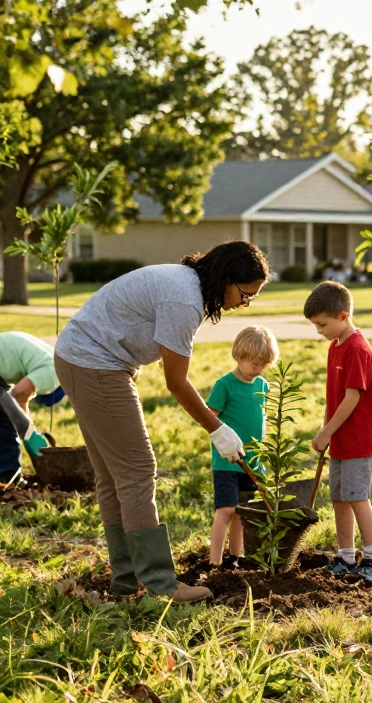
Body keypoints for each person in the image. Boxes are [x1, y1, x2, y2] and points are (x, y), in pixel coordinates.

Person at [54, 240, 270, 602]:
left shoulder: (188, 285)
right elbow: (176, 382)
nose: (244, 303)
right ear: (226, 278)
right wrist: (218, 429)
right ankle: (160, 585)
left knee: (114, 476)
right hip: (94, 364)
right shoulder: (184, 300)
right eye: (245, 294)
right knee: (138, 469)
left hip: (84, 358)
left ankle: (125, 581)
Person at [305, 281, 372, 582]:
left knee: (357, 498)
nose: (319, 331)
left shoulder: (358, 349)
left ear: (343, 316)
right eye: (315, 325)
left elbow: (352, 398)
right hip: (340, 439)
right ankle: (346, 556)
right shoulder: (335, 347)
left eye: (322, 324)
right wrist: (327, 429)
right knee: (339, 498)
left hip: (360, 441)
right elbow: (335, 396)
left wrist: (326, 432)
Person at [206, 326, 278, 569]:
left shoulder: (263, 386)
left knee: (242, 513)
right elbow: (210, 418)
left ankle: (236, 558)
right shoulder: (224, 385)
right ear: (239, 355)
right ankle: (214, 563)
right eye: (253, 362)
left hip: (252, 463)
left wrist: (262, 455)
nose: (257, 368)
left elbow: (262, 420)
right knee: (226, 510)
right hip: (227, 461)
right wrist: (223, 444)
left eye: (262, 364)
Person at [0, 331, 62, 486]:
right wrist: (30, 434)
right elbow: (17, 394)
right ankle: (9, 475)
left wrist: (29, 432)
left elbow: (20, 402)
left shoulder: (53, 359)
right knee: (6, 417)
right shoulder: (55, 373)